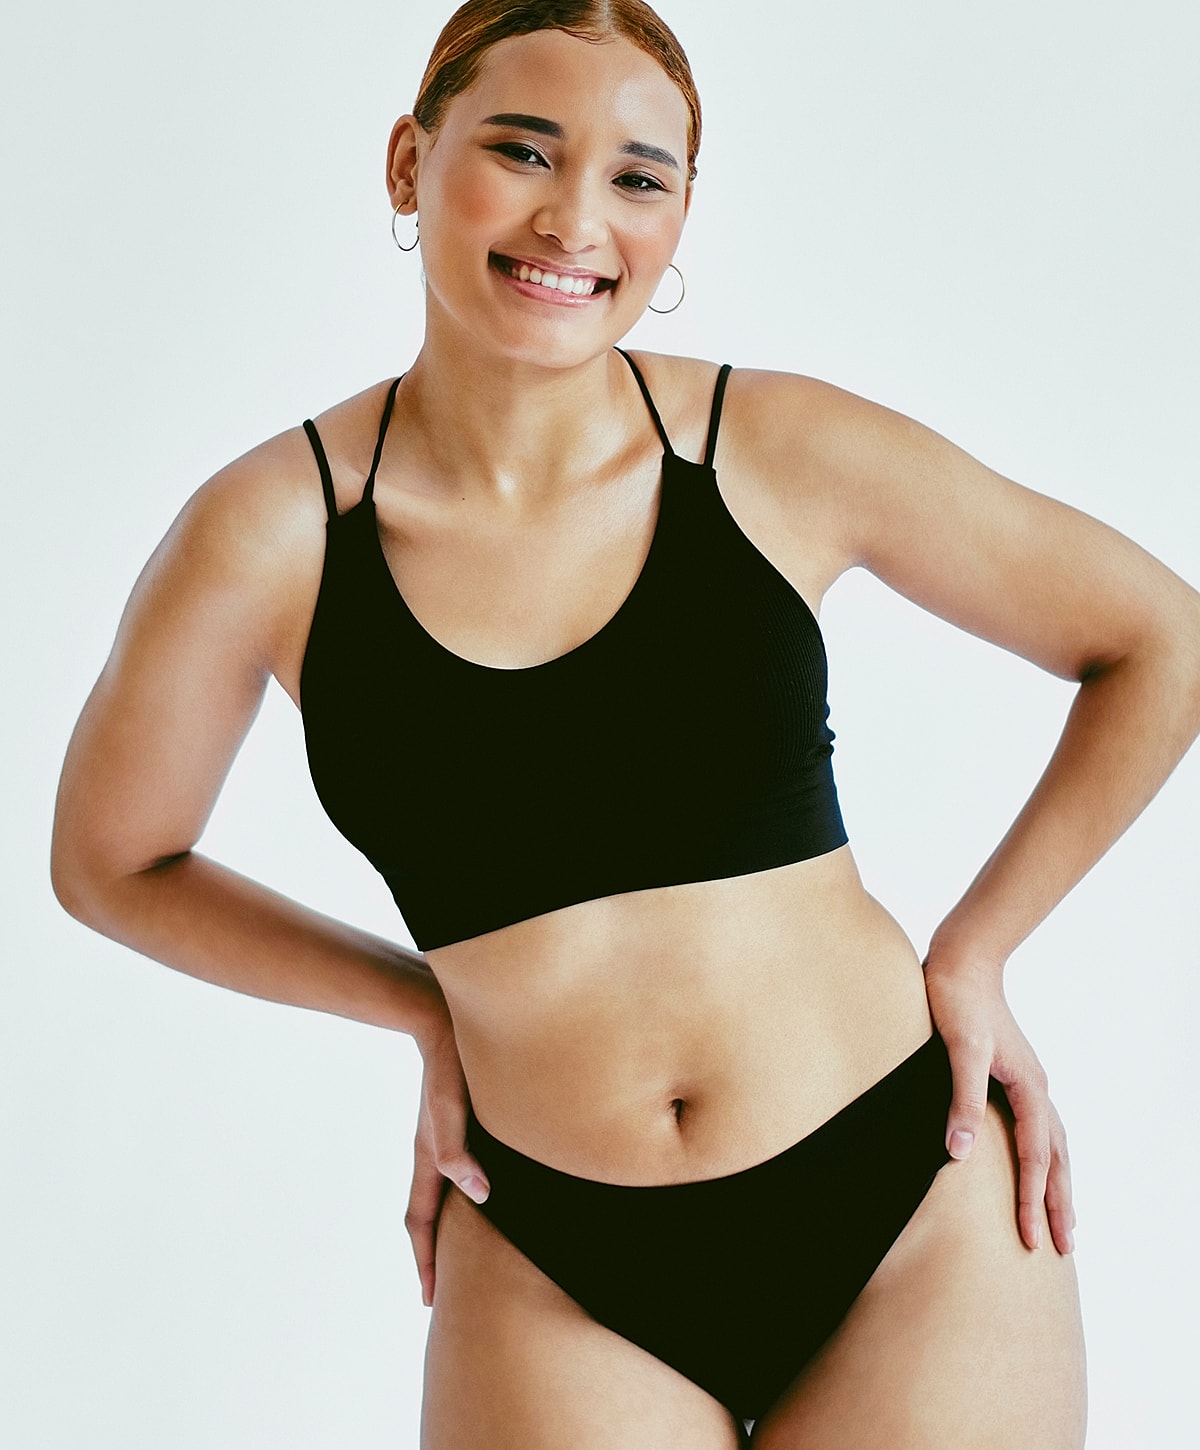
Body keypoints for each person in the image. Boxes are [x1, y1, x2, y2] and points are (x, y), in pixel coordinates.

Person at [49, 1, 1200, 1445]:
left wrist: (977, 950)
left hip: (911, 1199)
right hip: (554, 1253)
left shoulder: (771, 448)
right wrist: (419, 1003)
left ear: (678, 217)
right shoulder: (269, 536)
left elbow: (1159, 639)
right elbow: (113, 860)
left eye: (636, 177)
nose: (574, 219)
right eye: (523, 151)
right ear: (408, 163)